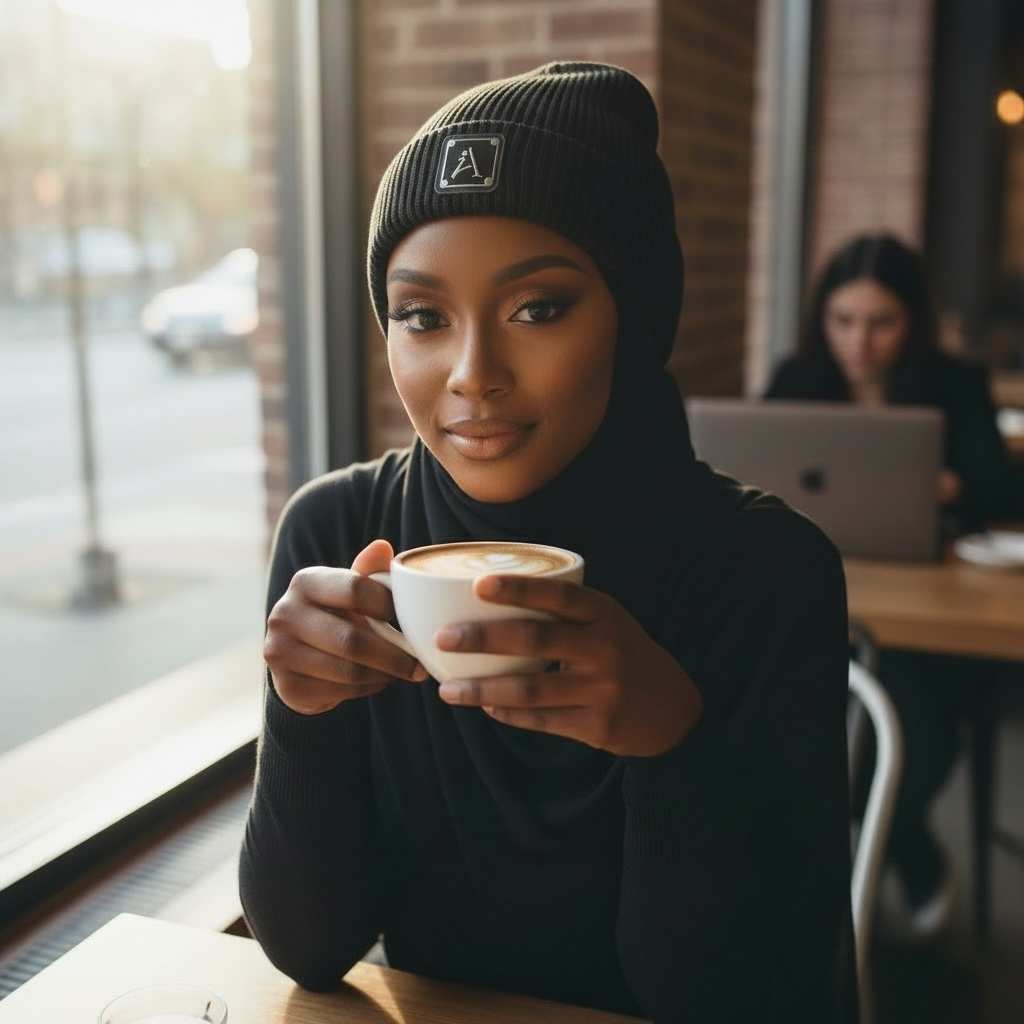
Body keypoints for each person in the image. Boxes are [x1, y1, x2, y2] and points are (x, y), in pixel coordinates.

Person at [240, 62, 857, 1022]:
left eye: (538, 309)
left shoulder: (768, 573)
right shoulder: (340, 536)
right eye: (422, 317)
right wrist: (301, 712)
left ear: (634, 318)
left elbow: (744, 998)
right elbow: (311, 951)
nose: (472, 375)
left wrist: (668, 744)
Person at [764, 232, 1017, 936]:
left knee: (913, 724)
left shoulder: (955, 384)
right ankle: (858, 865)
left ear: (914, 322)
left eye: (881, 323)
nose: (859, 343)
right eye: (842, 321)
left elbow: (1001, 488)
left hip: (926, 615)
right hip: (816, 600)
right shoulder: (796, 380)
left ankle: (898, 846)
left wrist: (949, 483)